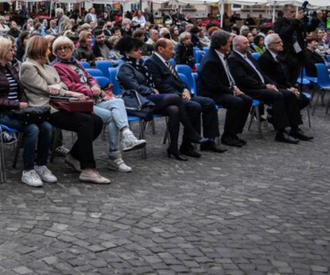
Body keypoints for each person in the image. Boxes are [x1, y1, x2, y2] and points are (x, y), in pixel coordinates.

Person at [20, 36, 109, 184]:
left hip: (59, 104)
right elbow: (45, 89)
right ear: (40, 49)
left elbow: (62, 86)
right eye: (48, 47)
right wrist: (64, 91)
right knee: (85, 121)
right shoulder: (28, 66)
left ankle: (74, 155)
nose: (50, 50)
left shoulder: (48, 66)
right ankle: (88, 169)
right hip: (44, 109)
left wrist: (58, 88)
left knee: (97, 121)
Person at [51, 37, 146, 173]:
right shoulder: (57, 66)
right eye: (59, 48)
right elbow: (70, 86)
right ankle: (115, 157)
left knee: (118, 102)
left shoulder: (76, 62)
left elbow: (89, 78)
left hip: (93, 98)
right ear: (55, 52)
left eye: (66, 47)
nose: (63, 50)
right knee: (113, 116)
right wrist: (92, 91)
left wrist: (95, 86)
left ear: (71, 48)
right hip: (81, 101)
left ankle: (127, 135)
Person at [0, 37, 56, 187]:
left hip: (16, 111)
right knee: (32, 129)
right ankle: (28, 170)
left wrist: (23, 104)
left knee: (46, 126)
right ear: (1, 52)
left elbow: (21, 91)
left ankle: (40, 165)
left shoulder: (10, 68)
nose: (14, 51)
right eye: (10, 49)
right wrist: (16, 104)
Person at [116, 37, 206, 161]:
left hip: (148, 98)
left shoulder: (139, 65)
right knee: (175, 98)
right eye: (136, 50)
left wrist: (151, 90)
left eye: (140, 49)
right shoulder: (124, 68)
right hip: (137, 101)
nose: (140, 52)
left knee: (174, 110)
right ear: (127, 52)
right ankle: (191, 131)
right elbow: (135, 87)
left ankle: (173, 148)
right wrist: (151, 90)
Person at [146, 38, 225, 153]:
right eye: (170, 49)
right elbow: (160, 85)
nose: (173, 52)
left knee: (209, 103)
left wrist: (185, 89)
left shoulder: (167, 62)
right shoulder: (151, 62)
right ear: (160, 49)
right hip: (168, 98)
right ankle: (188, 144)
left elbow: (178, 80)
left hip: (181, 94)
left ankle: (209, 140)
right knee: (194, 106)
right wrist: (179, 94)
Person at [228, 35, 311, 144]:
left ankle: (294, 129)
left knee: (289, 95)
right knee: (278, 95)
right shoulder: (233, 59)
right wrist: (265, 86)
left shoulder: (247, 55)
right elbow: (244, 79)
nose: (249, 44)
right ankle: (280, 132)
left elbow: (261, 74)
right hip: (249, 89)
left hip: (260, 86)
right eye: (246, 43)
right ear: (237, 46)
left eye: (248, 42)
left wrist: (272, 84)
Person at [197, 30, 253, 148]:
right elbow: (214, 85)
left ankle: (234, 133)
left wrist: (234, 87)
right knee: (236, 102)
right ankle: (227, 136)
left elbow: (227, 76)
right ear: (221, 45)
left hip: (222, 88)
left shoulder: (222, 54)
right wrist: (232, 91)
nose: (230, 45)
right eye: (228, 43)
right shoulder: (210, 60)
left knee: (247, 99)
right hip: (210, 92)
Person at [273, 4, 306, 84]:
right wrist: (296, 21)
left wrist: (315, 20)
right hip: (285, 55)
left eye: (294, 12)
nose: (294, 14)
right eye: (291, 12)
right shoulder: (279, 22)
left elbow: (307, 28)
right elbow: (284, 33)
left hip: (296, 54)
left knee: (294, 79)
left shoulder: (295, 22)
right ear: (285, 12)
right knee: (287, 80)